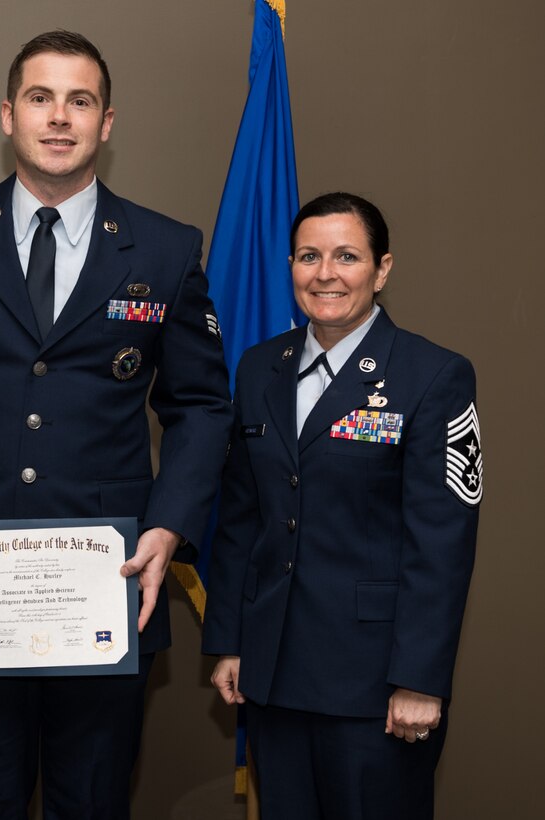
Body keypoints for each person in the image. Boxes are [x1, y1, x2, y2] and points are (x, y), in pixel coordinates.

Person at [0, 29, 232, 820]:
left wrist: (169, 528)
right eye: (39, 97)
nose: (58, 117)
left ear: (105, 122)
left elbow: (200, 405)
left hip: (110, 585)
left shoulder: (165, 248)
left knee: (92, 802)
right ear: (7, 114)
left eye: (79, 100)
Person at [202, 192, 481, 819]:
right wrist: (231, 640)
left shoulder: (432, 376)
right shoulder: (257, 369)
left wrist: (420, 678)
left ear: (382, 270)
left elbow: (441, 544)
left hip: (376, 686)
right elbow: (242, 517)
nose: (325, 273)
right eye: (309, 256)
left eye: (346, 256)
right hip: (274, 676)